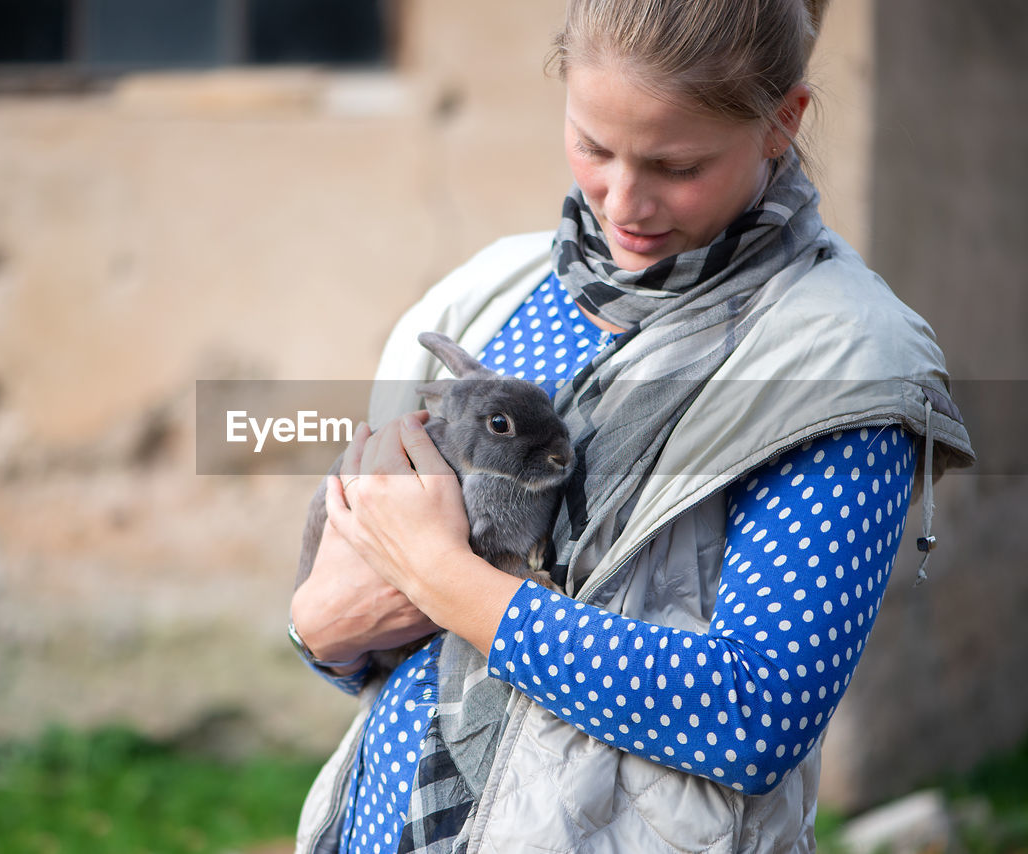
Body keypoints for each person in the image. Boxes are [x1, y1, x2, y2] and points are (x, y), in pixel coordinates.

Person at [288, 0, 974, 851]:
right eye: (592, 146)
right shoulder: (492, 294)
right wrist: (319, 630)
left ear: (780, 123)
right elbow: (353, 605)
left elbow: (750, 716)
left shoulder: (842, 360)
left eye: (675, 165)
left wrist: (439, 577)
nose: (624, 202)